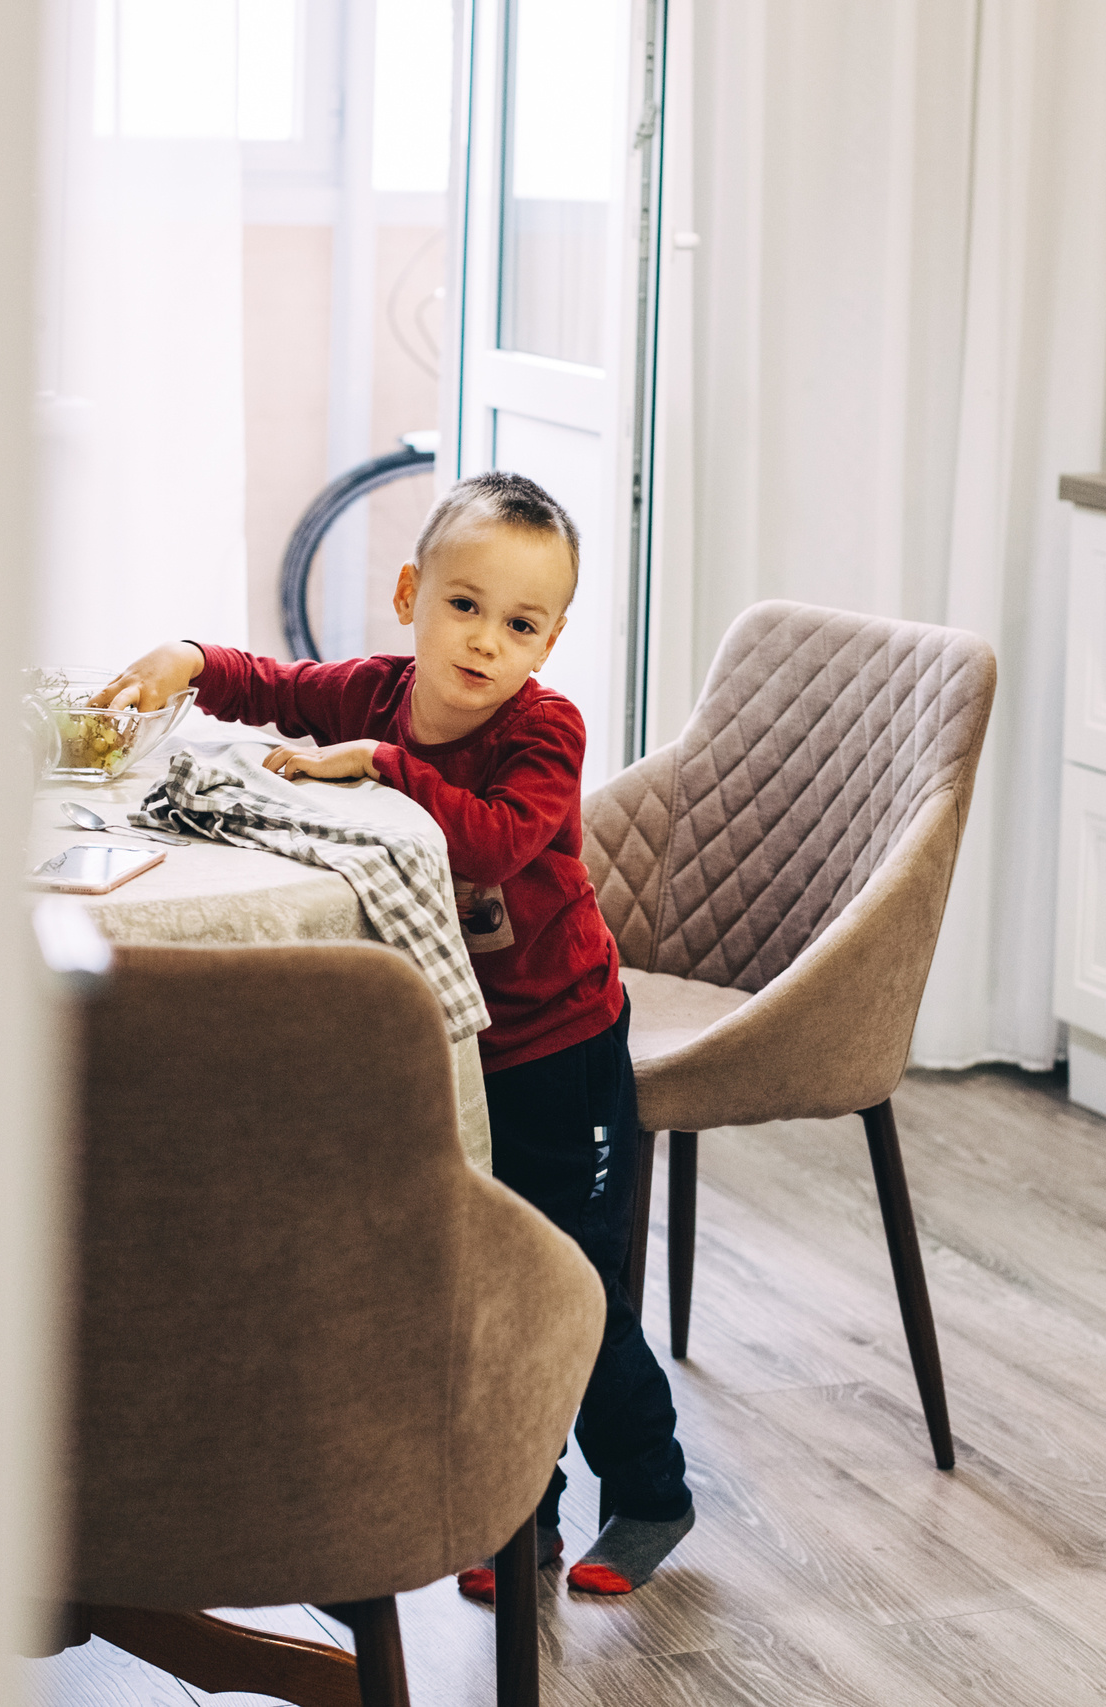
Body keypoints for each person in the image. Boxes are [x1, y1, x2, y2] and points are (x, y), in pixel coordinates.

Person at [100, 471, 695, 1598]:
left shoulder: (542, 730)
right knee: (485, 1276)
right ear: (410, 593)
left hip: (562, 1050)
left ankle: (652, 1490)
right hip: (455, 1053)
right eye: (463, 606)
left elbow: (498, 843)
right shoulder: (374, 693)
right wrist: (189, 656)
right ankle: (526, 1512)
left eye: (520, 625)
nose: (484, 643)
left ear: (551, 640)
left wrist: (382, 767)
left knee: (573, 1285)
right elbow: (272, 685)